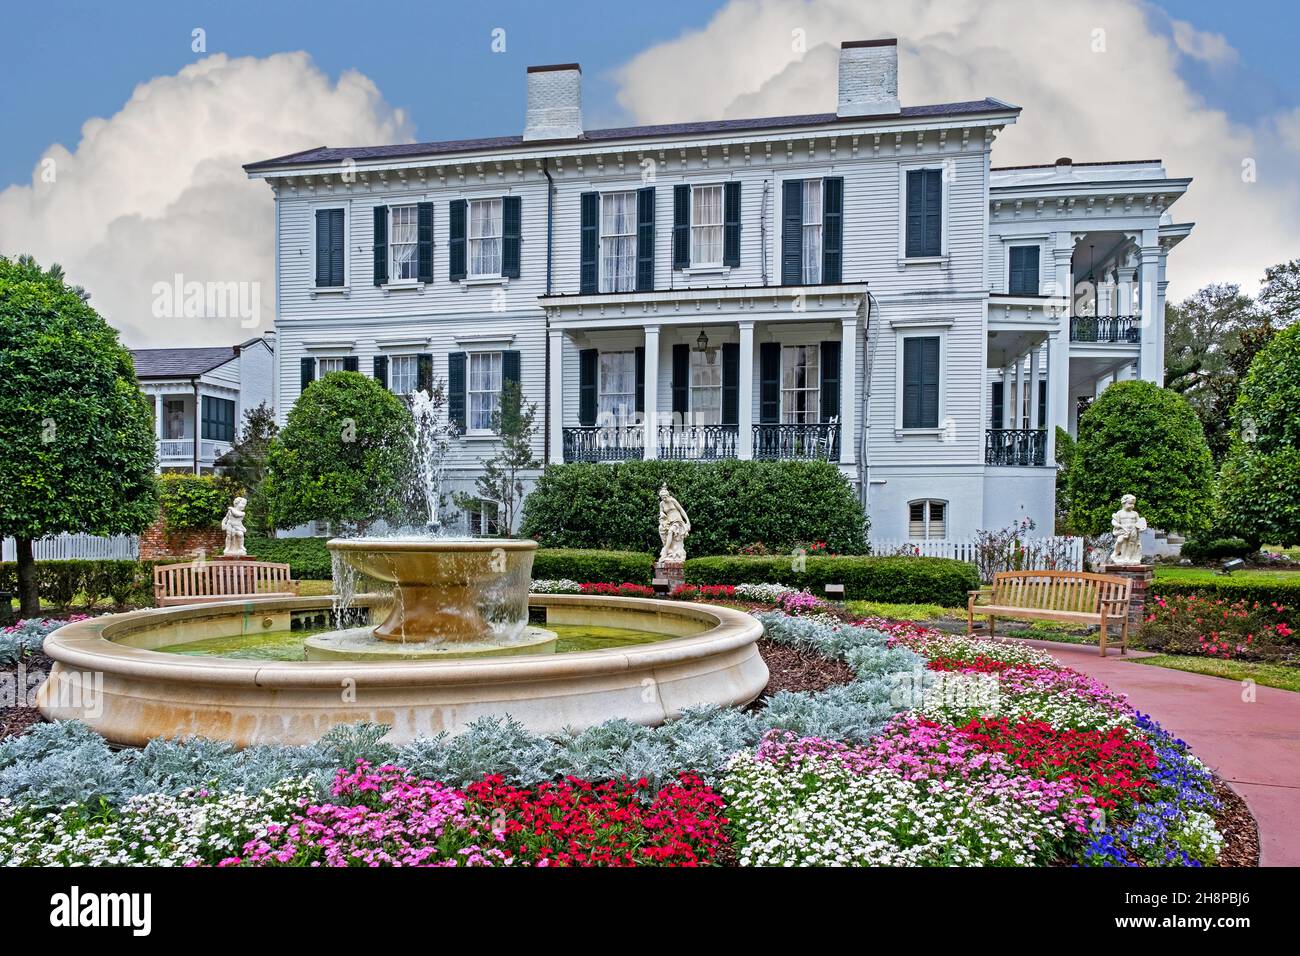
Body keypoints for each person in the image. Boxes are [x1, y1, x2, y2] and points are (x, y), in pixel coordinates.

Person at [1108, 493, 1146, 565]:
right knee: (1120, 541)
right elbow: (1114, 521)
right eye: (1130, 503)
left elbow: (1139, 522)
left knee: (1131, 544)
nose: (1132, 505)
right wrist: (1117, 525)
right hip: (1123, 531)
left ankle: (1128, 557)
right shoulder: (1120, 513)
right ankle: (1115, 553)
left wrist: (1141, 527)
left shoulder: (1135, 513)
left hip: (1133, 531)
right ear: (1123, 503)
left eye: (1133, 504)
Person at [657, 485, 691, 563]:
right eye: (662, 497)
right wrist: (662, 514)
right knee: (661, 529)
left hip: (678, 521)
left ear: (667, 495)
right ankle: (669, 550)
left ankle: (665, 551)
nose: (664, 498)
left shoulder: (672, 500)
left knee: (670, 531)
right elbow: (661, 511)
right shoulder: (662, 504)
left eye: (665, 497)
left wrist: (687, 520)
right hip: (669, 521)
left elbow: (681, 510)